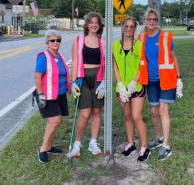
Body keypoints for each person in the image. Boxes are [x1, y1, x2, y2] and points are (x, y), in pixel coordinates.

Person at [138, 8, 183, 161]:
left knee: (163, 110)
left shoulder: (165, 36)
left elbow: (173, 57)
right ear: (145, 21)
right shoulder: (141, 38)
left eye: (155, 19)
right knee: (154, 112)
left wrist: (179, 77)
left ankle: (166, 145)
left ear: (158, 21)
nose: (152, 22)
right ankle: (159, 137)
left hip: (167, 79)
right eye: (149, 19)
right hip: (150, 81)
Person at [112, 17, 150, 162]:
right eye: (126, 26)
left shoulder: (140, 45)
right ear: (122, 27)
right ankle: (131, 143)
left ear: (135, 29)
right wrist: (120, 84)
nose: (128, 29)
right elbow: (115, 66)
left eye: (131, 27)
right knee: (127, 116)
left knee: (136, 117)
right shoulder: (116, 45)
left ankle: (144, 147)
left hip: (137, 87)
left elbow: (142, 66)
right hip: (122, 89)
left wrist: (133, 83)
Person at [70, 12, 105, 157]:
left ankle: (93, 142)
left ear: (99, 25)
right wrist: (73, 82)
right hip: (82, 79)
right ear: (87, 25)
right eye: (91, 22)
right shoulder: (79, 40)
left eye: (96, 22)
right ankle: (77, 145)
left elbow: (106, 62)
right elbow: (75, 62)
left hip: (98, 78)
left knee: (96, 112)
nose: (93, 25)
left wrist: (104, 81)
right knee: (84, 114)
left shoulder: (103, 41)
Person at [35, 30, 71, 163]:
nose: (55, 42)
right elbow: (37, 75)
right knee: (54, 120)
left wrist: (72, 85)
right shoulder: (44, 57)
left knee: (58, 120)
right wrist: (40, 94)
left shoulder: (60, 56)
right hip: (47, 94)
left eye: (58, 40)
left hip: (60, 94)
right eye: (52, 40)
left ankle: (49, 146)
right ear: (47, 43)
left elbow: (64, 74)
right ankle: (43, 149)